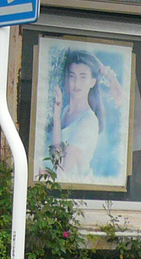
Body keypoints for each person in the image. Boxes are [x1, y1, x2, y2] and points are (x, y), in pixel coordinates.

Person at [49, 49, 122, 182]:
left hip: (74, 188)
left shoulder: (88, 121)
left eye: (83, 77)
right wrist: (57, 114)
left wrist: (111, 77)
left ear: (92, 82)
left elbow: (61, 169)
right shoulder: (65, 110)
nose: (76, 83)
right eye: (72, 76)